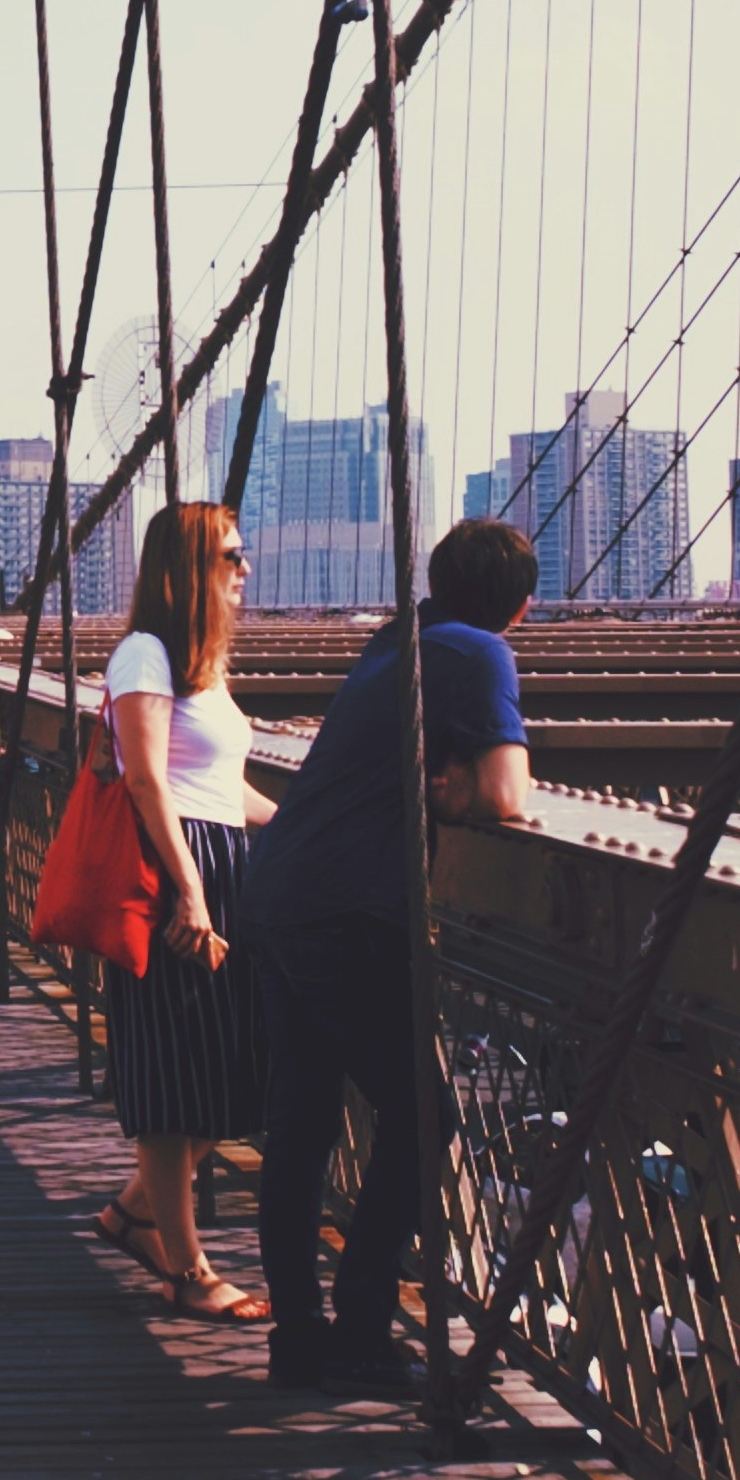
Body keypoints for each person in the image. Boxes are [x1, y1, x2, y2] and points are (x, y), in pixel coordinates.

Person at [232, 513, 538, 1396]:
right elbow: (506, 796)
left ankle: (300, 1338)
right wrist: (458, 788)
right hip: (347, 912)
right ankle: (364, 1324)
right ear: (517, 606)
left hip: (281, 890)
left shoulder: (395, 639)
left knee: (302, 1126)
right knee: (423, 1118)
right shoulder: (479, 652)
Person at [96, 496, 265, 1316]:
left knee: (222, 1078)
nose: (243, 569)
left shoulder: (205, 664)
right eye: (229, 556)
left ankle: (134, 1213)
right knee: (174, 1079)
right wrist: (192, 893)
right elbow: (145, 778)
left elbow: (224, 788)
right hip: (173, 882)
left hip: (221, 871)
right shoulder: (142, 657)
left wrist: (315, 819)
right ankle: (186, 1269)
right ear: (189, 567)